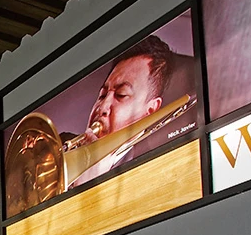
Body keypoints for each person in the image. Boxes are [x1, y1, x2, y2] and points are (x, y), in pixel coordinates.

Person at [66, 35, 179, 187]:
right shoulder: (60, 144)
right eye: (102, 95)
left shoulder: (153, 172)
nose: (102, 107)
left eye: (121, 95)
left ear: (150, 110)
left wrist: (88, 186)